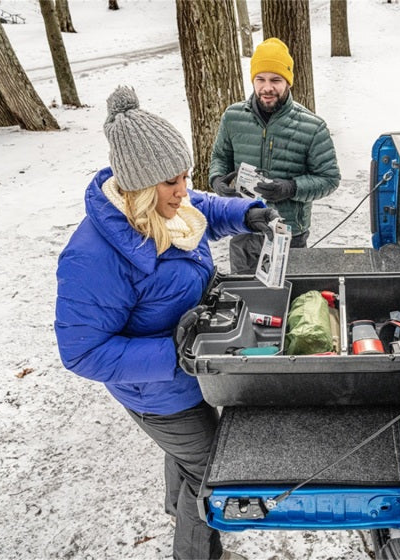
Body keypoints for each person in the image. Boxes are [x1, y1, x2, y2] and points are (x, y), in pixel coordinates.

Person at [54, 86, 274, 560]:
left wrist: (245, 213)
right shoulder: (93, 257)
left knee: (192, 457)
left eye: (185, 176)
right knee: (213, 469)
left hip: (192, 371)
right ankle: (197, 552)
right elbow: (82, 353)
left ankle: (181, 510)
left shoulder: (166, 207)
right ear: (137, 186)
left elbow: (200, 207)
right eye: (171, 182)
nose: (183, 190)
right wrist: (174, 352)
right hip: (157, 391)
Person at [209, 37, 341, 274]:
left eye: (275, 80)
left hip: (289, 232)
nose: (267, 87)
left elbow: (329, 178)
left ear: (288, 82)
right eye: (260, 79)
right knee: (246, 297)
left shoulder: (312, 127)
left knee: (289, 299)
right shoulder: (233, 117)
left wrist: (291, 188)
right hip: (244, 226)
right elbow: (220, 157)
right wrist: (217, 180)